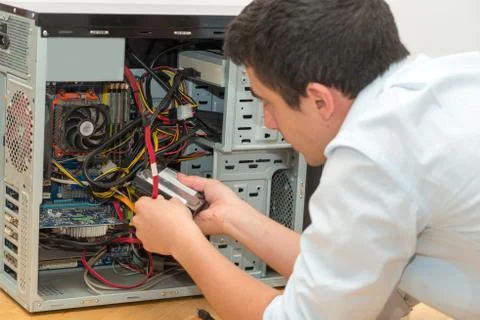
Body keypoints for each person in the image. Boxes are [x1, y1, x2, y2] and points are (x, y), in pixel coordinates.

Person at [132, 0, 480, 319]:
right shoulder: (448, 81)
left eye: (267, 101)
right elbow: (356, 281)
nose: (268, 121)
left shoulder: (374, 154)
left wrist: (181, 242)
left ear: (319, 100)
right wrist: (232, 218)